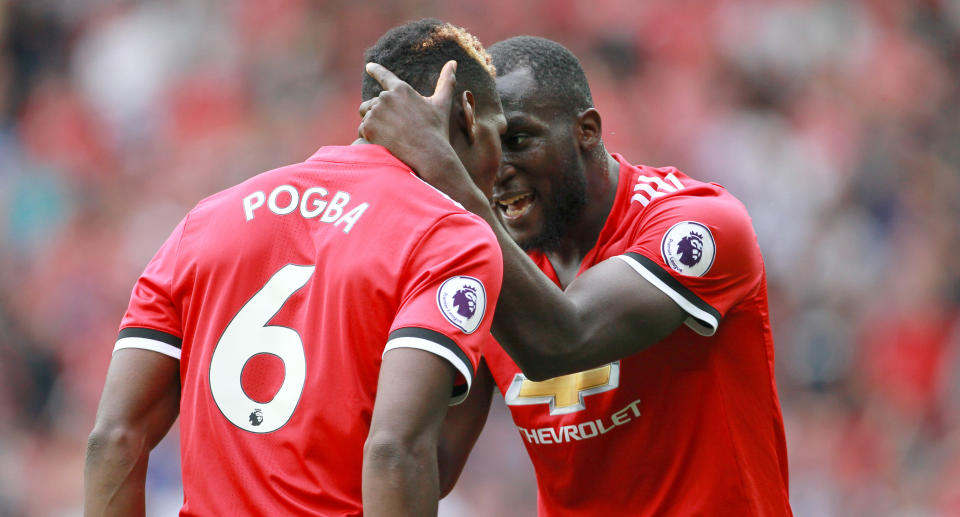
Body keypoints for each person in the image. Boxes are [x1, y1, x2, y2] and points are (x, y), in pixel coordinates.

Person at [84, 19, 507, 517]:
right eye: (503, 134)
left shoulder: (207, 220)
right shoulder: (450, 236)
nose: (503, 164)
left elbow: (112, 439)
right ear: (467, 112)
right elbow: (396, 449)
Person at [359, 36, 792, 516]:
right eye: (480, 147)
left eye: (518, 140)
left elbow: (566, 338)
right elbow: (423, 457)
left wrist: (443, 174)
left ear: (586, 130)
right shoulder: (491, 257)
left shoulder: (698, 225)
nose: (496, 169)